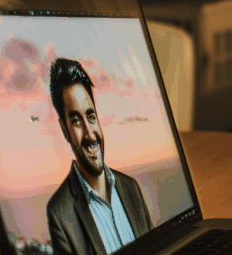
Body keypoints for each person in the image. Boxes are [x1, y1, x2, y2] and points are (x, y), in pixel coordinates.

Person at [46, 57, 153, 255]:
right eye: (76, 121)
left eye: (91, 117)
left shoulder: (131, 188)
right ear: (64, 130)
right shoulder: (60, 214)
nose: (89, 134)